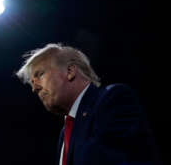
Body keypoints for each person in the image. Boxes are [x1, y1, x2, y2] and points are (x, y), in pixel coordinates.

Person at [15, 43, 161, 165]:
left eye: (40, 75)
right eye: (32, 83)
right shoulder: (64, 132)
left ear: (70, 71)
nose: (34, 88)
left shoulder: (112, 99)